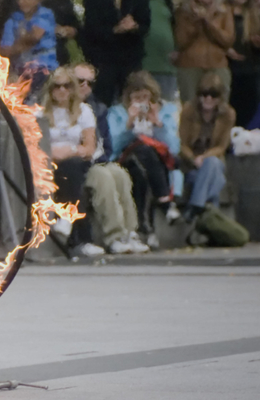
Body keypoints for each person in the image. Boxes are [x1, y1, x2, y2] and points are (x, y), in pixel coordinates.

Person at [74, 63, 148, 254]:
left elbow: (107, 146)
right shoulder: (64, 109)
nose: (85, 86)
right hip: (79, 164)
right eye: (79, 81)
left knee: (120, 173)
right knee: (103, 176)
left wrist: (101, 158)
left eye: (89, 83)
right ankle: (114, 236)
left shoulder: (98, 108)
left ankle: (130, 232)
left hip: (98, 160)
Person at [108, 71, 182, 249]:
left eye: (145, 97)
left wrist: (157, 123)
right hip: (126, 157)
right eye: (137, 97)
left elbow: (173, 147)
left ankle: (145, 229)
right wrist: (129, 123)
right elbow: (113, 147)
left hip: (160, 160)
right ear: (128, 98)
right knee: (142, 154)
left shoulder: (168, 111)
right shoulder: (116, 113)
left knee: (143, 167)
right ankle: (165, 203)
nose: (142, 102)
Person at [40, 68, 102, 257]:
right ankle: (81, 239)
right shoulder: (41, 113)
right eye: (56, 86)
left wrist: (70, 151)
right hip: (48, 162)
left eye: (66, 86)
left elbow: (89, 148)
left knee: (72, 170)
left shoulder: (84, 111)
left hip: (77, 159)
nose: (61, 90)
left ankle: (67, 219)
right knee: (68, 174)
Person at [82, 0, 151, 106]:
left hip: (131, 61)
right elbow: (90, 29)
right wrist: (115, 30)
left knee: (132, 103)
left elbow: (146, 25)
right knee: (101, 106)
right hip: (103, 61)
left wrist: (133, 27)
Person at [178, 72, 235, 223]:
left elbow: (222, 146)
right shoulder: (189, 110)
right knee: (218, 181)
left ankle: (195, 206)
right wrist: (193, 158)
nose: (208, 98)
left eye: (213, 94)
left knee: (212, 163)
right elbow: (182, 144)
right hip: (190, 165)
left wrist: (204, 157)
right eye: (204, 94)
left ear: (220, 97)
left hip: (213, 160)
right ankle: (209, 220)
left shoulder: (228, 114)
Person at [174, 0, 235, 104]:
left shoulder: (224, 10)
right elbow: (181, 42)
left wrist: (208, 22)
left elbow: (227, 40)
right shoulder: (182, 12)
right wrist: (197, 23)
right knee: (190, 108)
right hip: (189, 66)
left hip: (217, 65)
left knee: (220, 107)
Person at [224, 0, 260, 127]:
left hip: (252, 71)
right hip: (229, 68)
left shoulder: (256, 15)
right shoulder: (222, 13)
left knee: (250, 111)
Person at [0, 0, 57, 95]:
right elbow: (4, 51)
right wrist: (23, 43)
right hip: (20, 70)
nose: (26, 2)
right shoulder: (13, 19)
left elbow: (35, 36)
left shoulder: (45, 14)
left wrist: (17, 45)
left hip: (44, 69)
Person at [138, 0, 179, 101]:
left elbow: (180, 26)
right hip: (140, 67)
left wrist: (179, 49)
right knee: (141, 113)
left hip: (166, 67)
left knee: (165, 113)